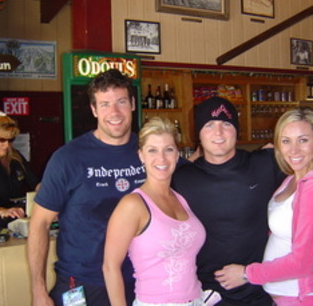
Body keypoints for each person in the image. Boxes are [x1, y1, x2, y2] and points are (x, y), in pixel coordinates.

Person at [27, 69, 146, 306]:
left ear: (133, 103)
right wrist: (39, 291)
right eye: (104, 104)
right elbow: (39, 223)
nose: (114, 112)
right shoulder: (68, 158)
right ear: (94, 110)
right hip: (83, 283)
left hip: (139, 281)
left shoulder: (150, 151)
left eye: (121, 101)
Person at [171, 96, 286, 306]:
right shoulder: (181, 178)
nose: (218, 132)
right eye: (209, 125)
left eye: (226, 124)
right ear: (198, 133)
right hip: (202, 295)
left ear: (237, 130)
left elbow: (304, 161)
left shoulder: (266, 163)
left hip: (257, 292)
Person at [103, 116, 208, 306]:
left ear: (177, 154)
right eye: (152, 150)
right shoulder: (133, 205)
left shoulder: (181, 199)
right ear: (141, 155)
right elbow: (110, 266)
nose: (161, 158)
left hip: (196, 299)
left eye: (168, 149)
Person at [215, 107, 313, 306]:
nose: (294, 150)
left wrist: (246, 273)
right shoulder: (291, 179)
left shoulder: (310, 188)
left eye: (303, 140)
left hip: (301, 297)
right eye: (286, 141)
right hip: (281, 295)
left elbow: (304, 263)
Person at [0, 111, 39, 230]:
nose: (7, 145)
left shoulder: (16, 157)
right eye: (2, 140)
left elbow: (35, 182)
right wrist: (2, 211)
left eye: (11, 140)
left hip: (15, 214)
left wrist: (45, 192)